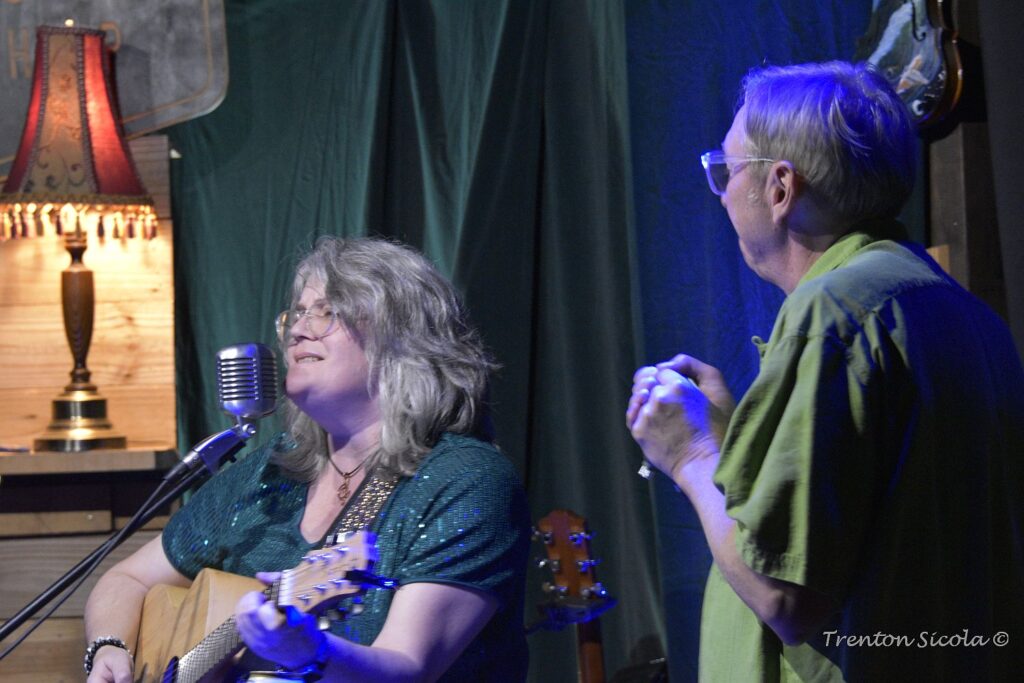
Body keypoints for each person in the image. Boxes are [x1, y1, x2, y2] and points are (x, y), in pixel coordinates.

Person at [627, 61, 1024, 680]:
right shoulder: (966, 314)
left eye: (726, 172)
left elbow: (786, 596)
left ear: (781, 188)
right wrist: (737, 445)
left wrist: (692, 454)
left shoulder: (831, 314)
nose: (723, 194)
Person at [84, 236, 530, 682]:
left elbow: (407, 669)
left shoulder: (466, 479)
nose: (298, 329)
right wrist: (108, 647)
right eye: (296, 314)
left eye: (328, 312)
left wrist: (308, 651)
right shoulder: (265, 474)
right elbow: (127, 580)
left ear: (404, 338)